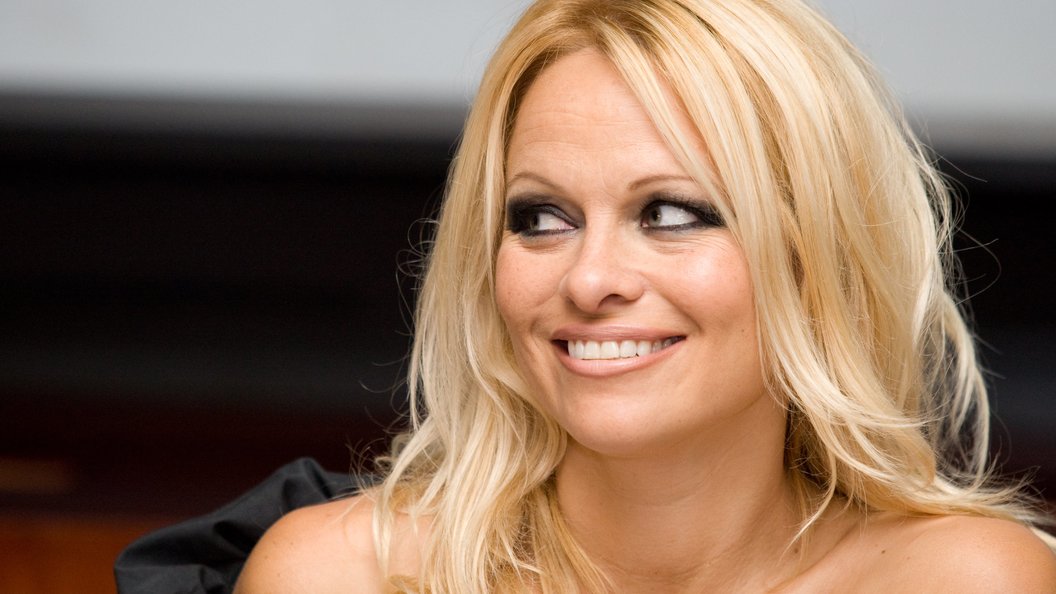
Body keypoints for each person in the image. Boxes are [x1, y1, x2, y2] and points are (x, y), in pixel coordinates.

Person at [233, 0, 1056, 591]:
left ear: (814, 259)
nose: (589, 280)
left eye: (669, 214)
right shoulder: (340, 575)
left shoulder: (965, 578)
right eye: (542, 218)